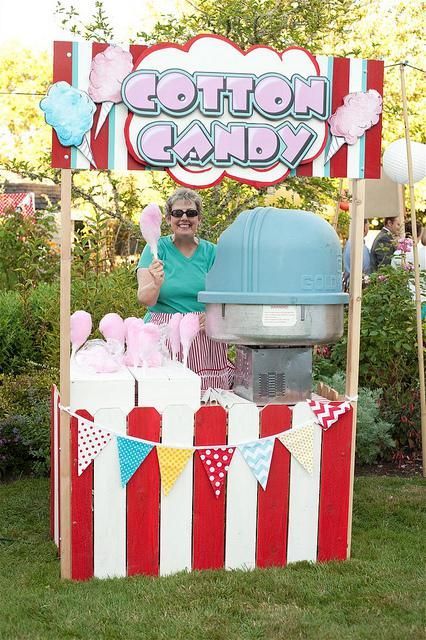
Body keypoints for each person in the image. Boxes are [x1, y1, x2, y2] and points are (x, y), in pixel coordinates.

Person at [137, 187, 234, 390]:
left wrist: (213, 316)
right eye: (177, 213)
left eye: (191, 213)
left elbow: (226, 298)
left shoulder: (212, 252)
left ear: (199, 219)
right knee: (164, 396)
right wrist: (155, 283)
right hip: (163, 333)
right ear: (168, 219)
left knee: (205, 403)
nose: (184, 218)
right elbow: (145, 299)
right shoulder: (155, 249)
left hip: (202, 336)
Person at [342, 219, 371, 290]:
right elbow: (366, 267)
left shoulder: (351, 242)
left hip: (351, 283)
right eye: (368, 226)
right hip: (357, 285)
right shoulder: (358, 244)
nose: (368, 229)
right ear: (363, 227)